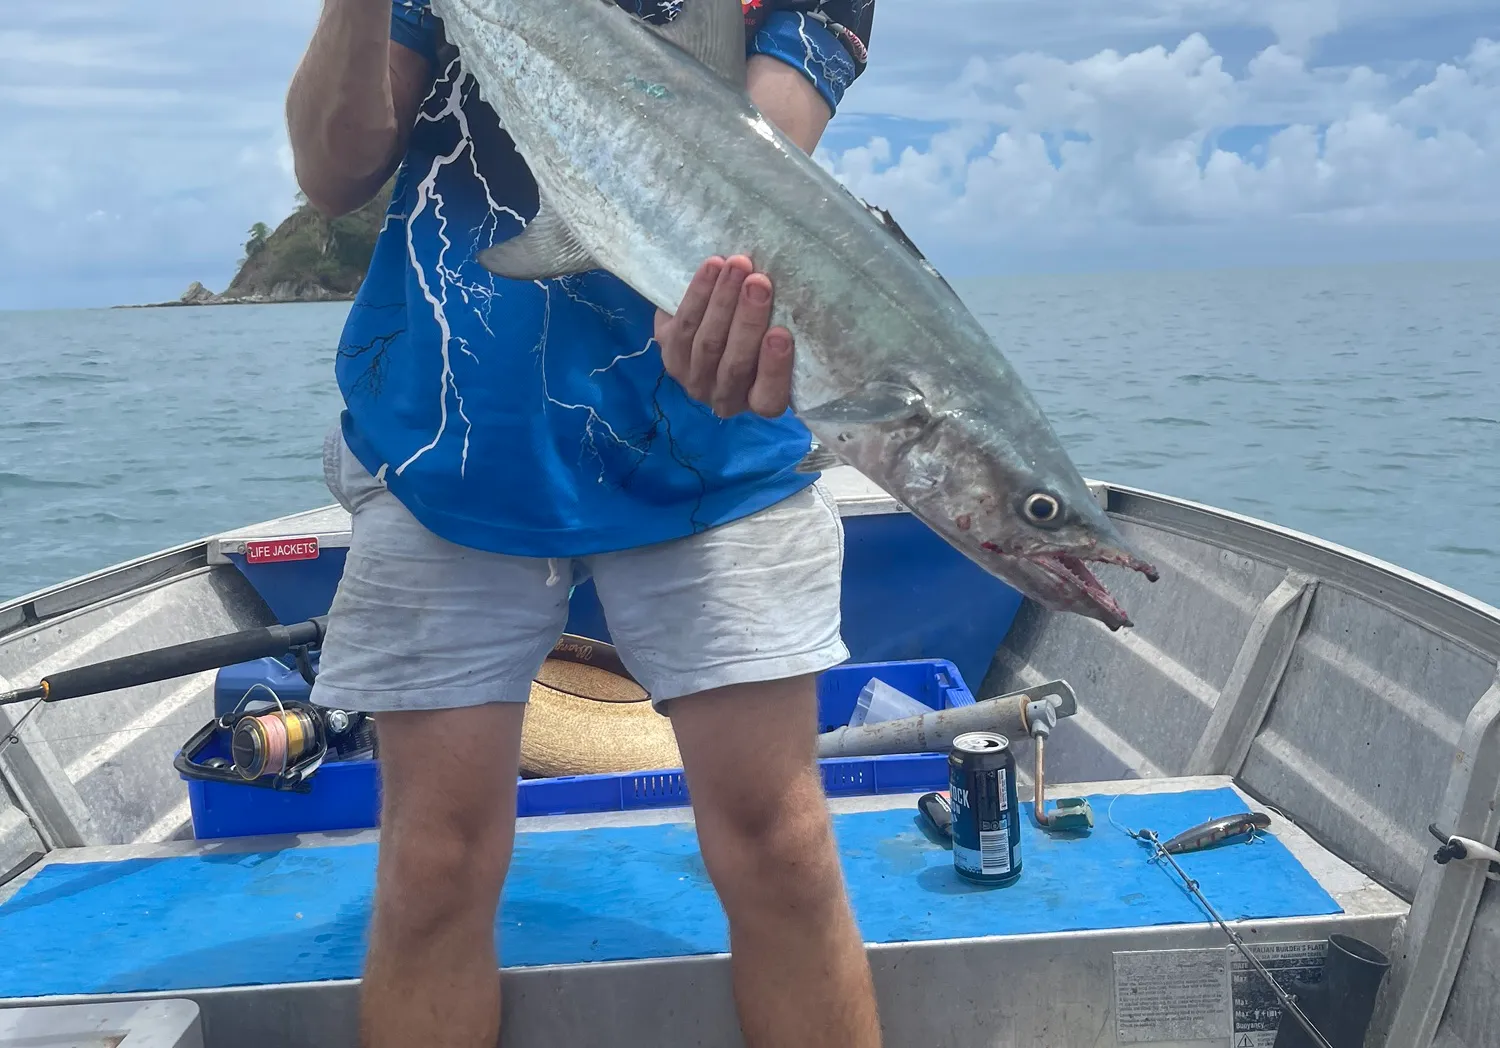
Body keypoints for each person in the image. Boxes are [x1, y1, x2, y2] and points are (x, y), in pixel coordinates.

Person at [283, 1, 882, 1046]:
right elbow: (334, 171)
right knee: (432, 866)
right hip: (452, 430)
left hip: (713, 444)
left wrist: (717, 297)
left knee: (781, 848)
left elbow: (734, 181)